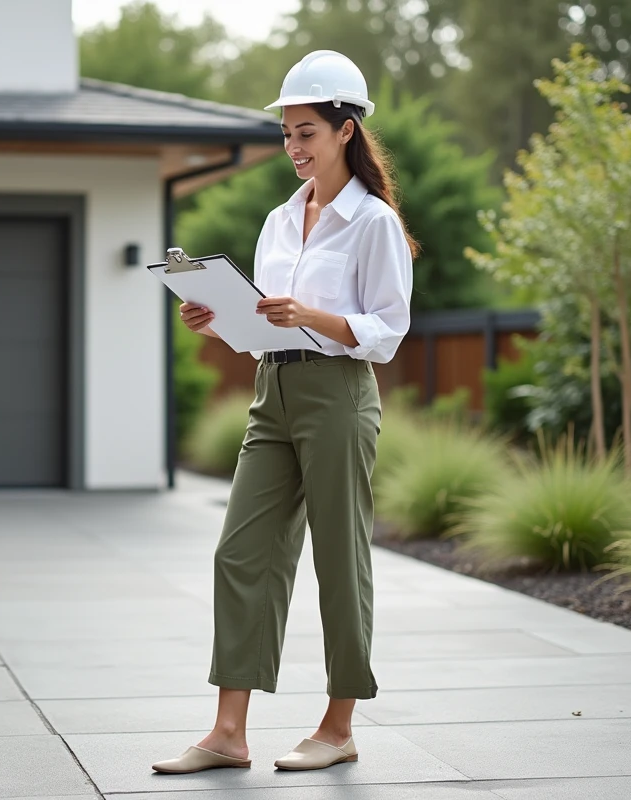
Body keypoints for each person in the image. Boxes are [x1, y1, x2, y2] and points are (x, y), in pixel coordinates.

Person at [152, 50, 417, 775]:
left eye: (306, 132)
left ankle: (338, 726)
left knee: (340, 557)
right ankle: (228, 734)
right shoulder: (277, 221)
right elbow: (270, 323)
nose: (294, 147)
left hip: (339, 395)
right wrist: (219, 319)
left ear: (345, 130)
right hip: (273, 393)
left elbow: (388, 332)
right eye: (287, 134)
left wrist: (313, 314)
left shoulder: (373, 224)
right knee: (242, 551)